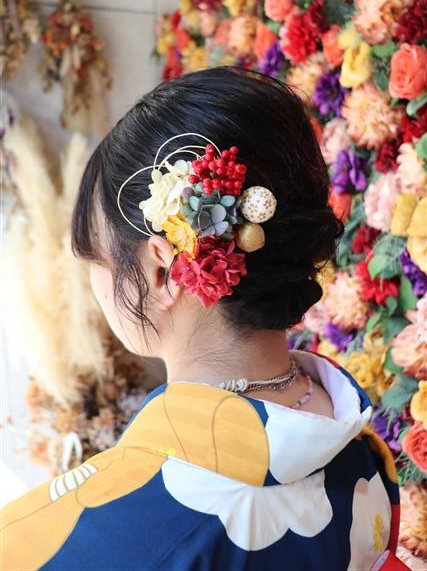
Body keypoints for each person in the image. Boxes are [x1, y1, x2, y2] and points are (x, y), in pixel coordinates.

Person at [2, 67, 409, 571]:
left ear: (163, 271)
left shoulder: (80, 540)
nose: (95, 285)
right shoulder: (357, 444)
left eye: (97, 262)